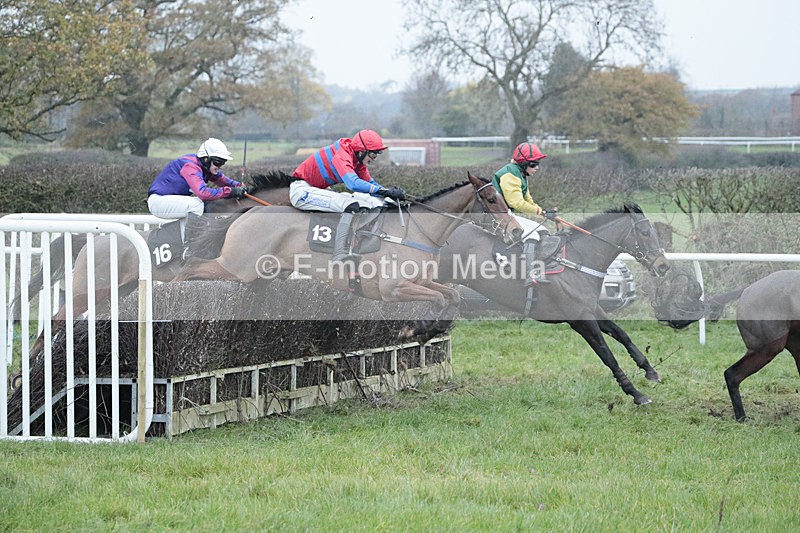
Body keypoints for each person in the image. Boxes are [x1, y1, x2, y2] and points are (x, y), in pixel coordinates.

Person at [290, 129, 406, 263]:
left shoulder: (357, 160)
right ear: (362, 151)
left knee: (368, 203)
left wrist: (390, 193)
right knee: (351, 205)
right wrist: (384, 191)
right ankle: (339, 254)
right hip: (301, 191)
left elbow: (371, 185)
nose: (374, 160)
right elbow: (353, 184)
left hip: (317, 189)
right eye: (373, 155)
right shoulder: (342, 155)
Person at [147, 138, 247, 261]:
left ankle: (188, 244)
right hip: (158, 202)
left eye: (222, 163)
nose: (219, 167)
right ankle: (189, 249)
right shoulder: (190, 166)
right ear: (206, 159)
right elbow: (203, 193)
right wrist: (230, 192)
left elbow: (224, 181)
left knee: (199, 206)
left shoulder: (205, 167)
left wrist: (241, 187)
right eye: (217, 163)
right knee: (197, 204)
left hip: (169, 201)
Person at [492, 142, 558, 284]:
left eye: (538, 163)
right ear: (523, 164)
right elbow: (517, 203)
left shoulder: (521, 174)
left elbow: (528, 200)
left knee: (542, 230)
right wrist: (541, 211)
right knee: (532, 234)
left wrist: (544, 212)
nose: (537, 168)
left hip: (509, 214)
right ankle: (529, 275)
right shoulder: (510, 175)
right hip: (498, 216)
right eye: (534, 164)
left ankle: (542, 268)